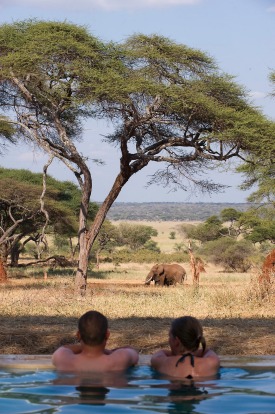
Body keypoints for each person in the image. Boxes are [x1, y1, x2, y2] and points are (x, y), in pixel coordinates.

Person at [52, 310, 139, 372]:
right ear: (107, 335)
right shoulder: (120, 358)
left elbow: (64, 348)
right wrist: (109, 351)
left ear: (78, 335)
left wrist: (83, 347)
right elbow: (132, 351)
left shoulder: (63, 358)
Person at [151, 316, 220, 378]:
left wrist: (177, 354)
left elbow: (160, 353)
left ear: (176, 341)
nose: (168, 340)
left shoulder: (162, 362)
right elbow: (207, 351)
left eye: (169, 336)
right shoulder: (211, 362)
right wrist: (194, 352)